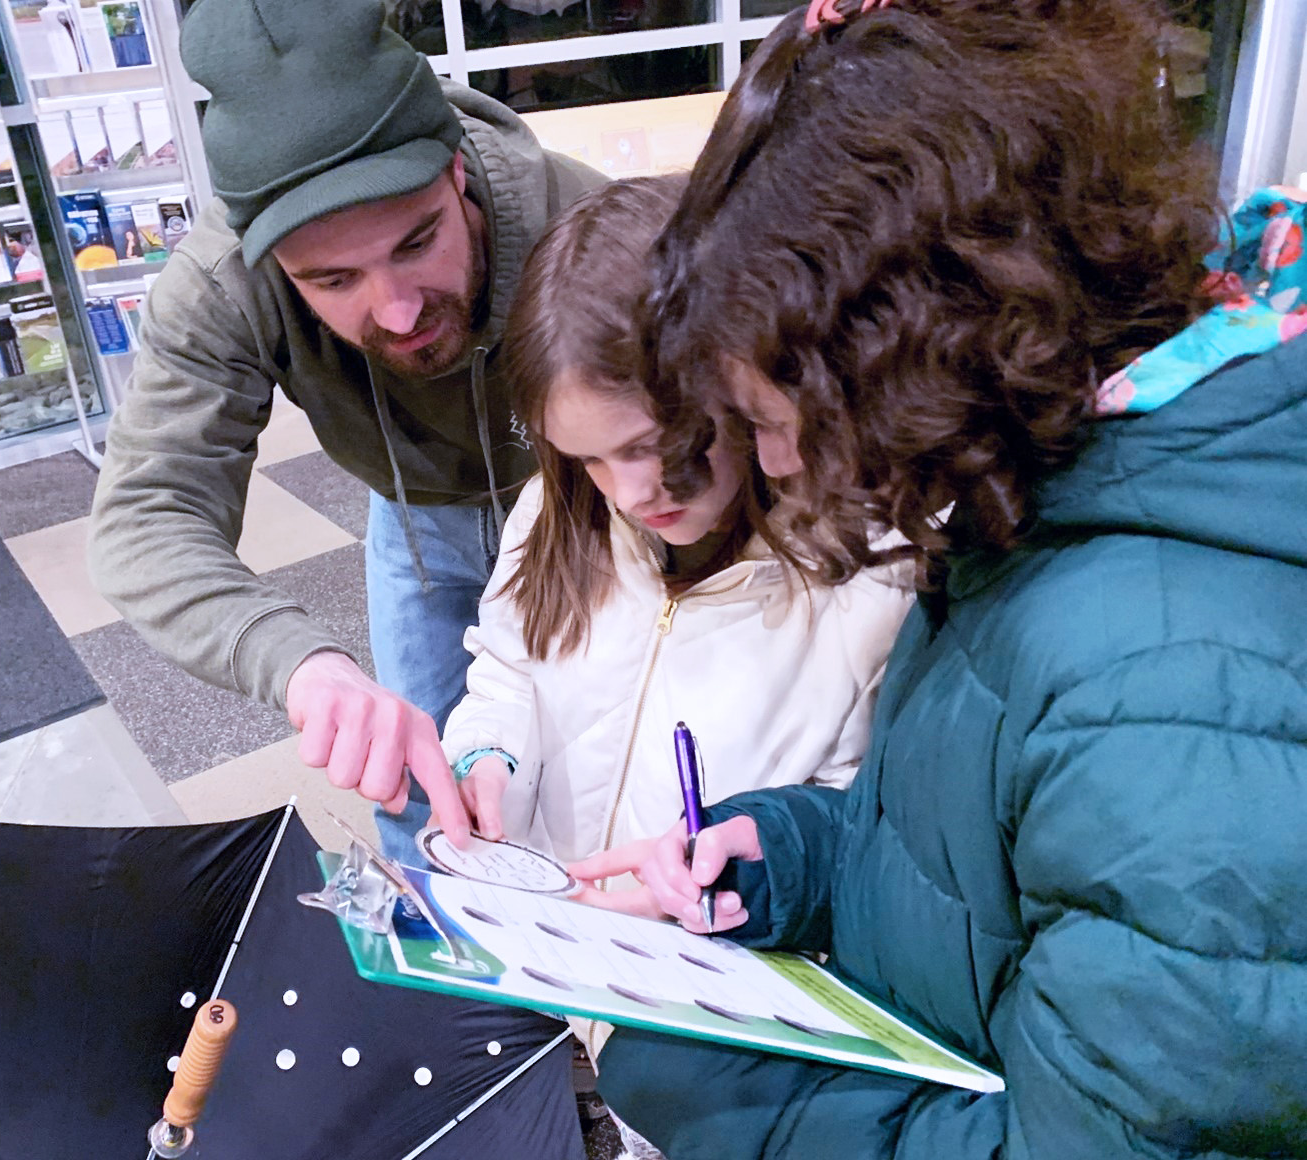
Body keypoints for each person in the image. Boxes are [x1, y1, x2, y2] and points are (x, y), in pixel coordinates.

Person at [577, 2, 1307, 1157]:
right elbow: (982, 863)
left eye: (777, 419)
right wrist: (794, 855)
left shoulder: (1168, 682)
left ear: (918, 349)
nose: (772, 463)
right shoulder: (1055, 491)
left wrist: (715, 1088)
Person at [87, 0, 606, 854]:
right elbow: (146, 518)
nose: (397, 311)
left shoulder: (581, 221)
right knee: (412, 789)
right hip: (414, 521)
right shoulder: (223, 285)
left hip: (584, 509)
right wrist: (304, 666)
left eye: (417, 242)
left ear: (456, 174)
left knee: (591, 773)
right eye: (333, 281)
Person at [442, 177, 912, 887]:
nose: (628, 494)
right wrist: (488, 758)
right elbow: (508, 671)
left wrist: (730, 882)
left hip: (702, 978)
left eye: (647, 445)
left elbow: (851, 824)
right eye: (587, 458)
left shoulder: (865, 581)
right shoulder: (554, 511)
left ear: (736, 379)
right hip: (549, 954)